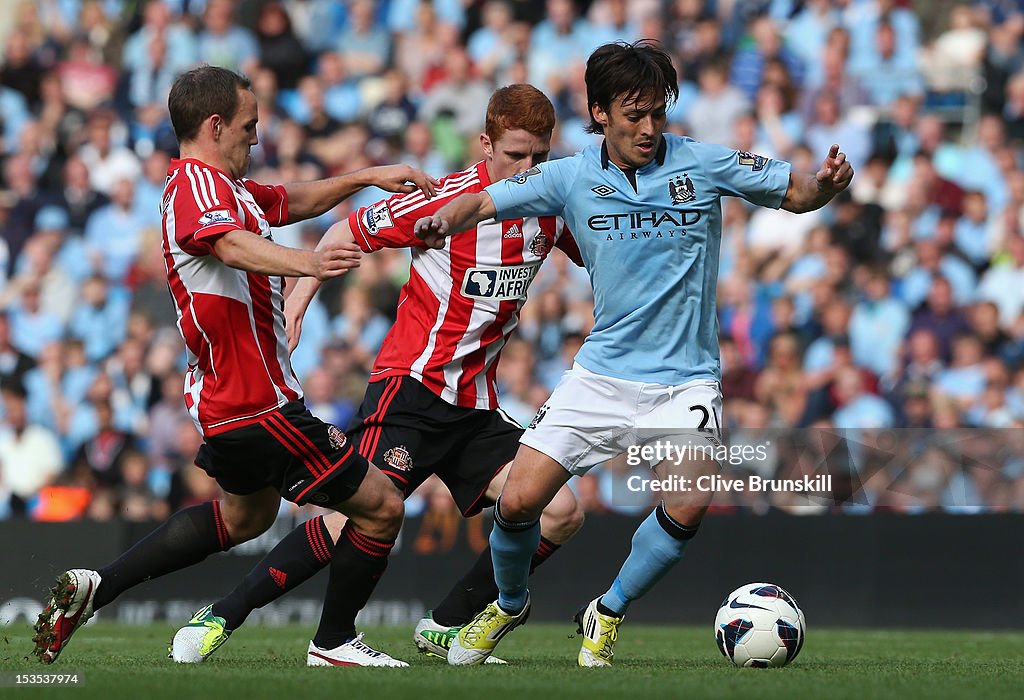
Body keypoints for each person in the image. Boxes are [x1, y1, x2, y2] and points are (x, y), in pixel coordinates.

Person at [414, 40, 854, 667]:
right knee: (517, 503)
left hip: (684, 381)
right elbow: (484, 199)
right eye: (632, 113)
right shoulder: (567, 175)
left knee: (689, 500)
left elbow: (800, 193)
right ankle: (508, 604)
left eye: (658, 113)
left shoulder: (705, 164)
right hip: (601, 375)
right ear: (599, 111)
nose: (648, 128)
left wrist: (830, 186)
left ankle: (607, 610)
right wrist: (445, 217)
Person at [32, 65, 438, 668]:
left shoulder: (229, 188)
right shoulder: (197, 188)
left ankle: (100, 586)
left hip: (230, 403)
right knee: (381, 506)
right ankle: (334, 642)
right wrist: (308, 264)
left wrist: (370, 177)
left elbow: (289, 201)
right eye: (249, 125)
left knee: (248, 516)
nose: (257, 135)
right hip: (258, 402)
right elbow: (225, 243)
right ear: (215, 125)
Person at [169, 84, 586, 665]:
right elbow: (343, 234)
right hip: (409, 391)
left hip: (476, 406)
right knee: (354, 518)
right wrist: (299, 299)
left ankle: (446, 623)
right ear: (485, 143)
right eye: (516, 155)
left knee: (562, 512)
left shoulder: (550, 206)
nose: (529, 168)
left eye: (540, 157)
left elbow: (606, 253)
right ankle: (224, 615)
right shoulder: (445, 200)